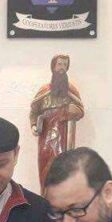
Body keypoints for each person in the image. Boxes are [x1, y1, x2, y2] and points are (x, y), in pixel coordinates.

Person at [30, 54, 85, 189]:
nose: (62, 68)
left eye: (65, 65)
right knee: (45, 165)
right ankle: (45, 195)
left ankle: (61, 197)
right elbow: (34, 111)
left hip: (64, 134)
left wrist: (70, 111)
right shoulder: (44, 90)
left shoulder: (71, 90)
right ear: (53, 66)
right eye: (59, 64)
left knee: (63, 166)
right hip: (46, 135)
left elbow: (80, 111)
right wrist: (33, 125)